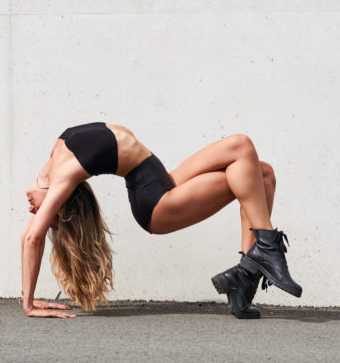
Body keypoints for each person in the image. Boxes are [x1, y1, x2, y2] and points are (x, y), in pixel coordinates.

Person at [22, 122, 302, 319]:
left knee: (262, 174)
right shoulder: (64, 176)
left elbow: (31, 233)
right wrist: (29, 303)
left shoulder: (57, 154)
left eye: (38, 212)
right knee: (241, 146)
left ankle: (245, 278)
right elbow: (32, 238)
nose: (32, 208)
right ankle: (265, 250)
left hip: (160, 181)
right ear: (61, 202)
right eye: (45, 216)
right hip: (156, 204)